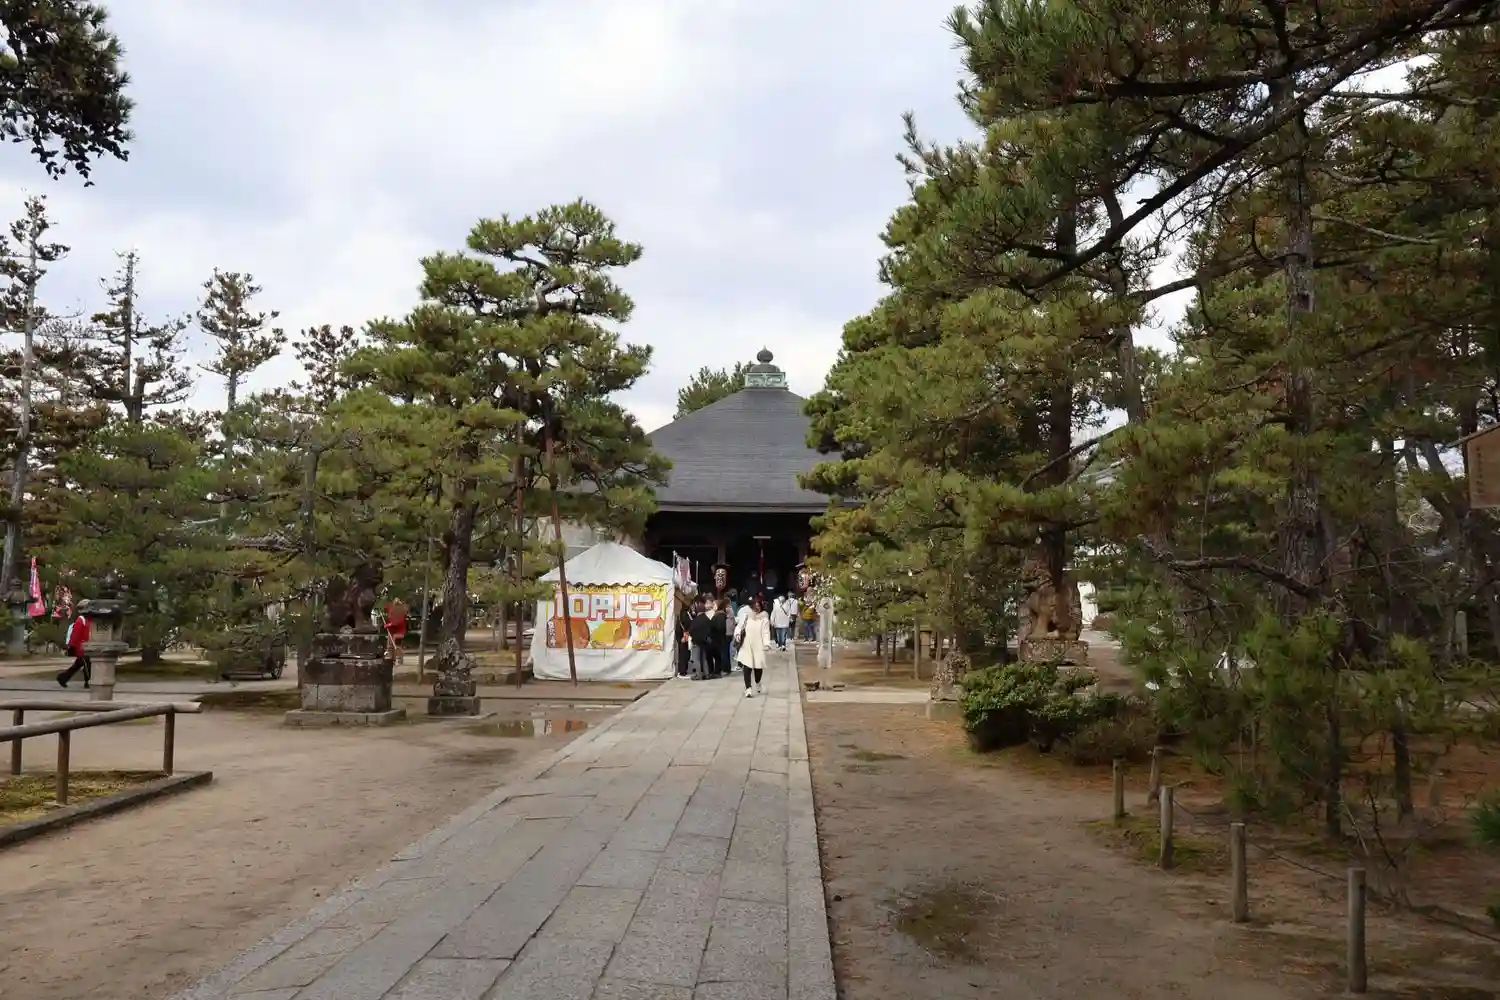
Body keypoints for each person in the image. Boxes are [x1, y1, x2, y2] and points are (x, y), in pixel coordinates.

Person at [735, 594, 771, 698]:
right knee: (747, 666)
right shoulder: (746, 616)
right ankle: (748, 688)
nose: (757, 607)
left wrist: (767, 643)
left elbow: (766, 632)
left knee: (758, 667)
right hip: (747, 644)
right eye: (755, 605)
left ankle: (758, 682)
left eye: (758, 605)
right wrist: (737, 635)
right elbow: (739, 627)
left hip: (759, 645)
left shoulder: (764, 618)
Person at [56, 611, 92, 689]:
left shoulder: (90, 620)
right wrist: (71, 645)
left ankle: (62, 678)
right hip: (82, 648)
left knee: (78, 665)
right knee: (87, 664)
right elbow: (75, 634)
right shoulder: (81, 619)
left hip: (88, 647)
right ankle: (88, 681)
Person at [675, 596, 695, 677]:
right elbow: (687, 624)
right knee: (684, 653)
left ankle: (683, 670)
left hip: (683, 635)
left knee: (685, 653)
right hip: (683, 636)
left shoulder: (685, 613)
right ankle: (682, 670)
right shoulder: (684, 614)